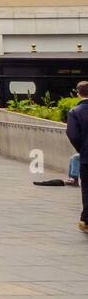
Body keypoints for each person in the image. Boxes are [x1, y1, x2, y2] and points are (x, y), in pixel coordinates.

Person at [64, 81, 88, 233]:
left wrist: (82, 149)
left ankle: (86, 220)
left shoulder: (75, 111)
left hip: (87, 157)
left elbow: (72, 134)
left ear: (78, 93)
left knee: (87, 189)